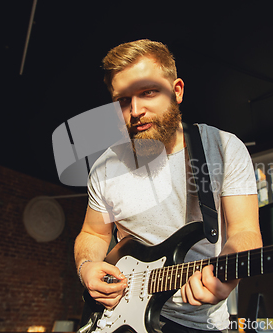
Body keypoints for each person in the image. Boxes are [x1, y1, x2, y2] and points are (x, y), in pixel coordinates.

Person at [74, 39, 262, 332]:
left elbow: (245, 232)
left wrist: (228, 272)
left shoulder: (223, 149)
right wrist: (87, 267)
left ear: (177, 91)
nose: (135, 110)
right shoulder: (106, 166)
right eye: (122, 100)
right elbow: (93, 233)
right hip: (120, 320)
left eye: (148, 92)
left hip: (200, 324)